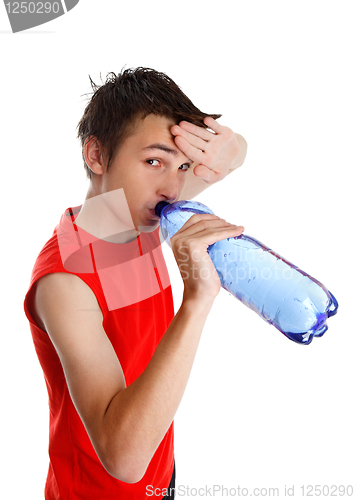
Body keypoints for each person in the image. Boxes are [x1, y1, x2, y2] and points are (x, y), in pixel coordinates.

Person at [23, 67, 247, 499]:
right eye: (153, 161)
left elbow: (230, 158)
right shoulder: (65, 284)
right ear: (97, 156)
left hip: (161, 478)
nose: (173, 187)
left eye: (182, 165)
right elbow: (124, 460)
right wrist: (197, 300)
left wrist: (234, 146)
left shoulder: (137, 213)